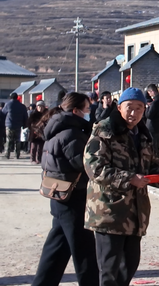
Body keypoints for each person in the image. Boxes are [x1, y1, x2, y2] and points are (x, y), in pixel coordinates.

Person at [84, 87, 159, 286]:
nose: (134, 113)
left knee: (129, 266)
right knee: (109, 271)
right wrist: (130, 178)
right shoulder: (104, 130)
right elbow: (94, 168)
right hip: (109, 211)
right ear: (119, 107)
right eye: (129, 107)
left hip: (135, 212)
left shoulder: (143, 133)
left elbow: (151, 163)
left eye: (139, 108)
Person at [32, 93, 99, 286]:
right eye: (86, 109)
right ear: (76, 111)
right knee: (84, 250)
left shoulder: (58, 129)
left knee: (56, 249)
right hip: (73, 197)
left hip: (60, 195)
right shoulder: (71, 134)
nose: (89, 112)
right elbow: (84, 165)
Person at [4, 93, 28, 159]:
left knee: (9, 140)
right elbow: (25, 116)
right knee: (17, 140)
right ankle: (17, 154)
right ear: (17, 97)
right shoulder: (22, 106)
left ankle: (7, 154)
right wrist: (24, 124)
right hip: (18, 125)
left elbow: (3, 113)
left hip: (9, 124)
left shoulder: (8, 104)